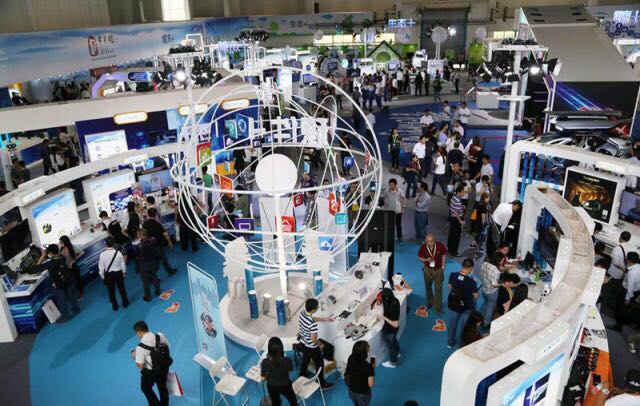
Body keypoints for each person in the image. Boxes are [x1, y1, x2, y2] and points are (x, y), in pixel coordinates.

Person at [298, 298, 334, 389]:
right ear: (313, 310)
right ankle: (322, 384)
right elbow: (313, 339)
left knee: (305, 359)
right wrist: (320, 344)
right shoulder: (312, 324)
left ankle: (302, 374)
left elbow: (311, 318)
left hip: (303, 342)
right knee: (320, 364)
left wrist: (323, 319)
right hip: (312, 347)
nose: (318, 307)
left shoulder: (302, 313)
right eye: (317, 307)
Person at [37, 244, 80, 321]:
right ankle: (77, 309)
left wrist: (42, 256)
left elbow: (36, 267)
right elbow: (57, 257)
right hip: (67, 280)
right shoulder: (62, 257)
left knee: (61, 301)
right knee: (72, 296)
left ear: (50, 253)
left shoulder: (50, 263)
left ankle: (66, 317)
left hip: (58, 284)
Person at [133, 321, 171, 406]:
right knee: (162, 386)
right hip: (164, 367)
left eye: (136, 333)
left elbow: (141, 365)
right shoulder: (159, 335)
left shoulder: (140, 347)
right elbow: (168, 347)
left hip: (151, 373)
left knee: (145, 388)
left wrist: (135, 356)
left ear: (139, 332)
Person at [447, 258, 479, 348]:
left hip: (455, 304)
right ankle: (460, 345)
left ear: (462, 265)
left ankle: (450, 342)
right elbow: (476, 296)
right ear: (471, 268)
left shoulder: (453, 275)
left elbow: (450, 287)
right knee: (464, 327)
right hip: (467, 307)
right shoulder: (472, 282)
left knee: (453, 324)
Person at [261, 337, 296, 406]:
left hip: (272, 386)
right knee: (293, 400)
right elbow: (290, 370)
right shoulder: (288, 360)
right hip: (286, 385)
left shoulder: (265, 362)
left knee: (275, 402)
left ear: (269, 349)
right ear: (281, 348)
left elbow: (263, 377)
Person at [610, 251, 640, 332]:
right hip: (636, 291)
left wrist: (627, 298)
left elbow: (630, 286)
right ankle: (624, 321)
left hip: (627, 292)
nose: (625, 257)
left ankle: (618, 326)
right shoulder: (638, 267)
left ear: (628, 260)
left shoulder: (632, 273)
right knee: (625, 308)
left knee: (619, 308)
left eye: (626, 256)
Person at [418, 233, 447, 312]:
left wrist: (443, 266)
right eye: (428, 241)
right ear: (425, 241)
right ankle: (430, 302)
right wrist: (426, 260)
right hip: (427, 270)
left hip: (438, 270)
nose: (430, 243)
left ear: (434, 240)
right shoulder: (423, 247)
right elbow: (419, 257)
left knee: (438, 289)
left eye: (431, 241)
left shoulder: (440, 245)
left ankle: (438, 307)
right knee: (428, 287)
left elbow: (444, 254)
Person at [144, 208, 177, 276]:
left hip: (149, 246)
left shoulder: (145, 224)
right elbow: (165, 234)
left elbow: (144, 235)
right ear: (156, 215)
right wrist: (170, 242)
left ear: (148, 214)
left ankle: (151, 274)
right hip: (158, 245)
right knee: (163, 259)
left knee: (156, 261)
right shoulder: (157, 224)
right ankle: (169, 271)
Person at [99, 238, 129, 311]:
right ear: (114, 244)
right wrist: (124, 272)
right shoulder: (118, 253)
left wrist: (103, 277)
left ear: (106, 245)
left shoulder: (102, 254)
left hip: (109, 275)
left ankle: (115, 306)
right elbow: (122, 264)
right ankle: (125, 303)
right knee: (122, 289)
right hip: (118, 273)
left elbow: (101, 267)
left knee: (111, 291)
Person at [345, 341, 375, 405]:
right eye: (368, 346)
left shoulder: (351, 357)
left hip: (351, 390)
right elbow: (371, 384)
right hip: (362, 393)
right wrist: (372, 369)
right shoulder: (368, 367)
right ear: (365, 352)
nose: (369, 346)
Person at [479, 251, 505, 327]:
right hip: (491, 292)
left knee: (486, 303)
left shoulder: (485, 264)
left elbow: (481, 274)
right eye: (502, 260)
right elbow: (494, 285)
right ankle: (486, 323)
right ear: (498, 260)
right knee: (490, 307)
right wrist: (501, 284)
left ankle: (481, 317)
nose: (502, 262)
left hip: (484, 289)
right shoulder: (496, 271)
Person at [135, 229, 161, 302]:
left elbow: (137, 255)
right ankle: (158, 291)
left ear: (141, 235)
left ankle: (148, 297)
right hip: (152, 262)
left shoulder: (138, 246)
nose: (138, 236)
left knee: (145, 282)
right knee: (154, 277)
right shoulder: (153, 241)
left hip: (143, 265)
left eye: (138, 235)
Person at [609, 231, 632, 310]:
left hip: (614, 273)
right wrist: (624, 270)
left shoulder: (617, 248)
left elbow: (615, 262)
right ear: (628, 239)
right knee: (616, 290)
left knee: (609, 289)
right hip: (622, 275)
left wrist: (622, 268)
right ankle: (612, 304)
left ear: (620, 237)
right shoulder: (630, 248)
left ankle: (607, 303)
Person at [378, 288, 401, 368]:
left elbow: (395, 324)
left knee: (390, 347)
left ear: (387, 298)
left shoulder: (392, 307)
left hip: (390, 330)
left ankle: (393, 362)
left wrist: (384, 318)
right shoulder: (395, 300)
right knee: (394, 340)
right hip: (393, 330)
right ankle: (398, 352)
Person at [448, 186, 465, 257]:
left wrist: (461, 207)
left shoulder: (453, 197)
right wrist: (460, 221)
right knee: (456, 236)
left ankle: (450, 248)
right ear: (458, 192)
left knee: (451, 234)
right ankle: (454, 252)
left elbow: (454, 209)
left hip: (452, 218)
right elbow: (456, 213)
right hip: (456, 220)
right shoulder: (458, 201)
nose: (464, 193)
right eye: (463, 192)